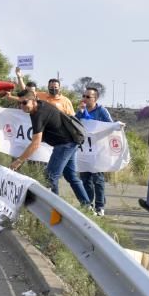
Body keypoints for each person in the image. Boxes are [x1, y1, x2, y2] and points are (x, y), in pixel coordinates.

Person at [10, 90, 91, 207]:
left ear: (33, 101)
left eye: (24, 103)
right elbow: (27, 96)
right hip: (71, 142)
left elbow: (35, 143)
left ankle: (55, 208)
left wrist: (19, 161)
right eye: (19, 103)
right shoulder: (38, 105)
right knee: (71, 176)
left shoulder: (38, 114)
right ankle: (87, 206)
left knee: (50, 177)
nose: (21, 106)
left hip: (65, 144)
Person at [76, 86, 113, 216]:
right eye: (83, 96)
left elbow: (110, 125)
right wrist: (79, 113)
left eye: (88, 97)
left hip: (98, 151)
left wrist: (118, 125)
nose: (84, 99)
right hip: (85, 151)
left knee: (98, 179)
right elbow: (75, 124)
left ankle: (100, 206)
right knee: (85, 179)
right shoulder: (81, 110)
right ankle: (88, 204)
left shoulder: (101, 111)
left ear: (95, 98)